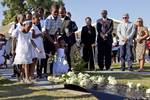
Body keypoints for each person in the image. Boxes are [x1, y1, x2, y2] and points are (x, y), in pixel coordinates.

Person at [43, 4, 61, 74]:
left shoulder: (59, 19)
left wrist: (56, 41)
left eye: (57, 11)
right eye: (54, 12)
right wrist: (53, 42)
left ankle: (51, 71)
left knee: (53, 55)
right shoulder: (48, 19)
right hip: (47, 38)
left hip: (53, 37)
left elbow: (56, 32)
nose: (56, 13)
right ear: (51, 11)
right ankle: (44, 72)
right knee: (46, 56)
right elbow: (46, 33)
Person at [31, 13, 46, 78]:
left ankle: (36, 73)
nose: (39, 20)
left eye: (39, 19)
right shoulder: (32, 27)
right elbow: (33, 36)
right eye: (37, 19)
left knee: (37, 60)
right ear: (33, 19)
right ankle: (32, 73)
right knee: (34, 60)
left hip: (39, 44)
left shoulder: (36, 26)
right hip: (35, 45)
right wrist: (40, 34)